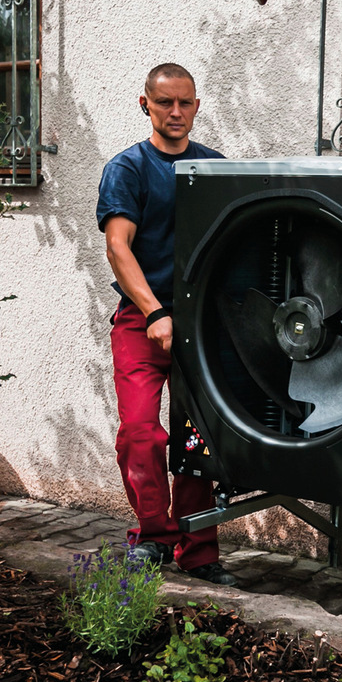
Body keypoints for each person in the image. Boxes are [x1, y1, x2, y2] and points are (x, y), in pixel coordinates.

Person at [96, 63, 235, 585]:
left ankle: (199, 551)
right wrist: (154, 312)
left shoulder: (216, 168)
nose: (176, 112)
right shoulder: (128, 169)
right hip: (142, 321)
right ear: (145, 105)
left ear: (196, 106)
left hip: (202, 326)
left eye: (185, 102)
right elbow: (118, 247)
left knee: (198, 436)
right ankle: (154, 537)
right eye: (164, 102)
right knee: (140, 433)